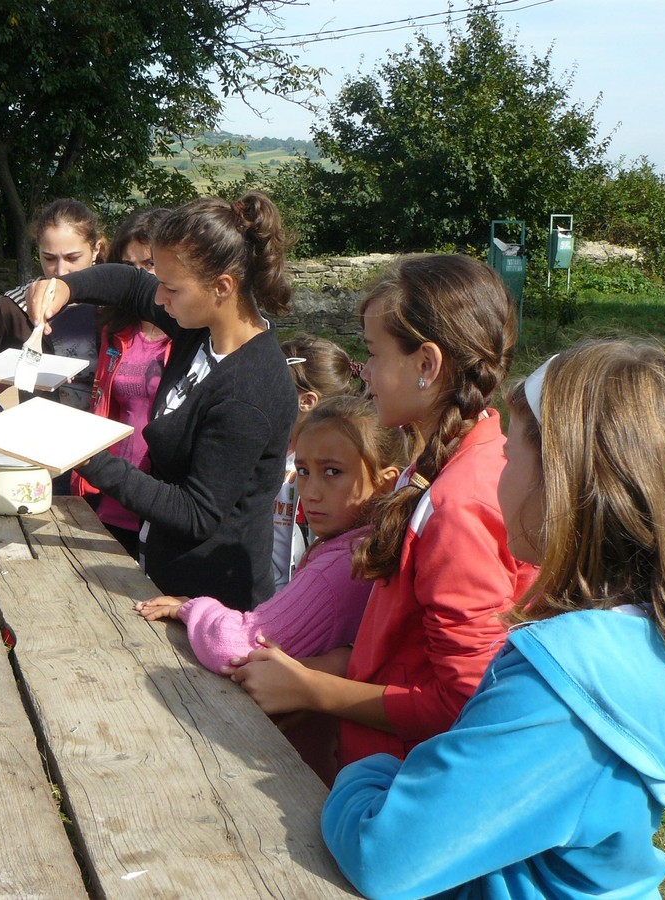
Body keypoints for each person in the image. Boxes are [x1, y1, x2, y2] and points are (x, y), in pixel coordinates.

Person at [323, 339, 665, 899]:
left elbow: (387, 856)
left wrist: (361, 778)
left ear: (560, 479)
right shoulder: (645, 638)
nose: (494, 469)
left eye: (507, 451)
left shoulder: (563, 689)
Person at [226, 253, 537, 769]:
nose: (364, 370)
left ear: (426, 364)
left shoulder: (457, 505)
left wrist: (312, 690)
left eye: (373, 352)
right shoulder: (458, 459)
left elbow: (465, 701)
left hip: (401, 775)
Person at [28, 192, 297, 611]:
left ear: (222, 286)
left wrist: (87, 455)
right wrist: (64, 286)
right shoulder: (202, 329)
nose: (159, 300)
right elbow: (133, 285)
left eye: (171, 288)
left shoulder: (250, 389)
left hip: (212, 602)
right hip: (164, 578)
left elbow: (197, 513)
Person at [135, 395, 404, 669]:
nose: (309, 492)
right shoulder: (365, 547)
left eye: (332, 471)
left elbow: (234, 647)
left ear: (384, 484)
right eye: (303, 470)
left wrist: (191, 609)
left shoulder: (340, 564)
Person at [75, 208, 172, 555]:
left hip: (162, 497)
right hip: (112, 490)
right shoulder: (116, 331)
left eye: (149, 265)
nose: (138, 278)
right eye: (129, 267)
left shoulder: (191, 336)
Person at [0, 198, 106, 412]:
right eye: (49, 258)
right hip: (38, 440)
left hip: (114, 441)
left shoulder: (115, 306)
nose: (61, 270)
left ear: (95, 249)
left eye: (72, 258)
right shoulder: (15, 308)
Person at [273, 334, 365, 589]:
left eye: (274, 383)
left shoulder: (334, 468)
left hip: (298, 598)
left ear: (307, 401)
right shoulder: (265, 447)